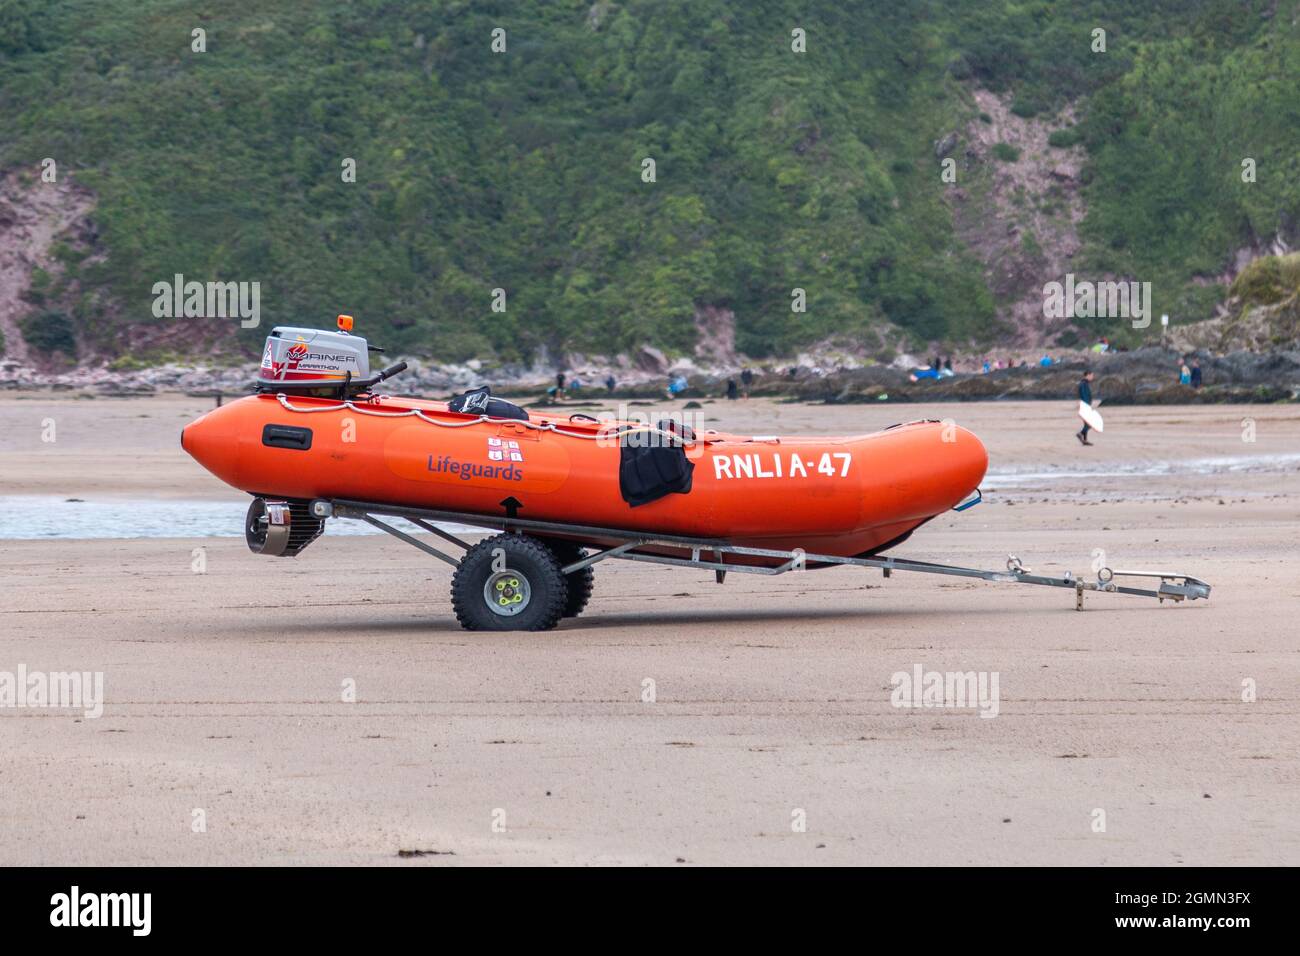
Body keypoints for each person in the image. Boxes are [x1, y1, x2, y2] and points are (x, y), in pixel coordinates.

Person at [1076, 370, 1096, 446]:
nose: (1092, 377)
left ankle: (1085, 440)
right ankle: (1080, 434)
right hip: (1085, 406)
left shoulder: (1084, 383)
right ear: (1087, 375)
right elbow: (1084, 396)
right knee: (1090, 423)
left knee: (1086, 423)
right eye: (1092, 375)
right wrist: (1087, 406)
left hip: (1084, 405)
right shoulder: (1083, 384)